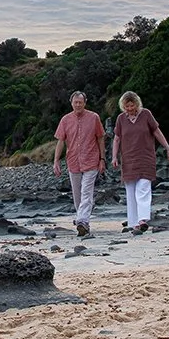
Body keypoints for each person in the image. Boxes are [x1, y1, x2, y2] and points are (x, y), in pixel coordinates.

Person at [110, 91, 169, 235]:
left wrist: (168, 149)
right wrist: (114, 157)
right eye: (127, 106)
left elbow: (157, 132)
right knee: (131, 191)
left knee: (143, 187)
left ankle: (143, 219)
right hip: (128, 159)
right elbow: (117, 139)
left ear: (137, 104)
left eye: (132, 105)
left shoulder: (146, 115)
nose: (130, 109)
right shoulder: (121, 119)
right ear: (123, 106)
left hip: (146, 157)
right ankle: (134, 223)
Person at [52, 90, 106, 238]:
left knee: (86, 191)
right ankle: (83, 221)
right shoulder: (65, 120)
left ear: (85, 103)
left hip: (91, 159)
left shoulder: (94, 117)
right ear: (71, 103)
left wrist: (102, 159)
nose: (78, 105)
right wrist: (56, 161)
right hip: (73, 160)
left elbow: (101, 138)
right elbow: (61, 141)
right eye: (75, 102)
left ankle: (82, 220)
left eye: (80, 102)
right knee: (77, 195)